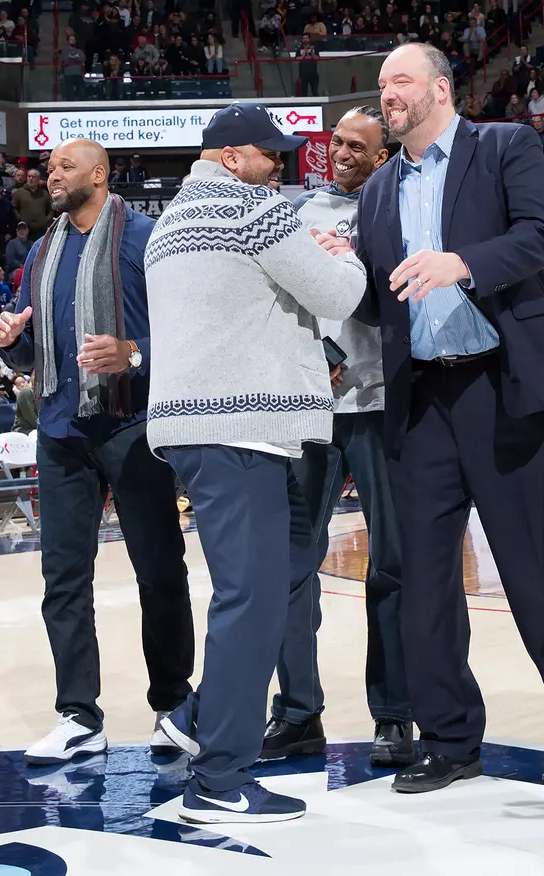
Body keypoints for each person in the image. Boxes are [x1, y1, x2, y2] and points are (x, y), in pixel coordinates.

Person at [333, 43, 544, 795]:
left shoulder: (504, 145)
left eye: (400, 81)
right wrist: (338, 271)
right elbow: (377, 298)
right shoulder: (377, 191)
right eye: (383, 84)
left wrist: (460, 262)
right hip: (421, 399)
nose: (388, 93)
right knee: (423, 578)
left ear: (439, 87)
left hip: (503, 386)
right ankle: (449, 739)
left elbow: (540, 237)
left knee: (539, 569)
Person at [143, 103, 366, 825]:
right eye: (271, 158)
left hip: (197, 429)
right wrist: (340, 249)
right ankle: (219, 779)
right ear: (234, 156)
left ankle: (198, 716)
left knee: (259, 588)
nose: (281, 171)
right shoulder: (253, 210)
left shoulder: (167, 223)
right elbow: (339, 293)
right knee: (253, 600)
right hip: (243, 430)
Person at [0, 138, 195, 765]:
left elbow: (185, 329)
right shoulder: (41, 250)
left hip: (132, 425)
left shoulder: (147, 237)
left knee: (159, 572)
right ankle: (78, 714)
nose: (52, 175)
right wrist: (11, 343)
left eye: (65, 167)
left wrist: (132, 354)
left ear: (100, 174)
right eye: (49, 168)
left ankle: (173, 703)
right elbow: (32, 355)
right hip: (60, 431)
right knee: (63, 580)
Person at [267, 106, 412, 768]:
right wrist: (319, 344)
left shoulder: (404, 207)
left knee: (391, 565)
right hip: (311, 406)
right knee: (293, 565)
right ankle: (297, 713)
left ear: (383, 156)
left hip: (381, 402)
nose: (343, 153)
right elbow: (282, 298)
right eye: (337, 143)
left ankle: (394, 715)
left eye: (358, 145)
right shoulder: (298, 214)